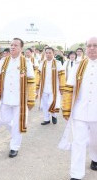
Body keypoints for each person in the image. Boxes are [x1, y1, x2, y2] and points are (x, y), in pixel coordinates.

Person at [0, 38, 36, 158]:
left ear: (21, 48)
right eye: (11, 45)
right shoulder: (3, 61)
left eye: (15, 45)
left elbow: (31, 82)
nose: (12, 47)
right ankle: (17, 134)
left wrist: (31, 100)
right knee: (4, 120)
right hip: (6, 97)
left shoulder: (26, 62)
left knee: (17, 124)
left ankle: (14, 147)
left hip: (20, 99)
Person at [62, 37, 97, 180]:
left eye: (95, 45)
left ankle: (95, 158)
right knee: (78, 142)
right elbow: (69, 87)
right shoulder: (78, 65)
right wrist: (66, 108)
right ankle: (76, 174)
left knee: (95, 140)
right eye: (89, 45)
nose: (92, 48)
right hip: (80, 111)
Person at [37, 47, 65, 125]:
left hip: (54, 88)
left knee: (51, 103)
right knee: (45, 104)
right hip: (44, 87)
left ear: (53, 53)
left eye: (50, 53)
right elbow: (38, 75)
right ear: (45, 53)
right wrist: (37, 86)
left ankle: (54, 115)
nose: (48, 54)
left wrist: (62, 87)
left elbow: (62, 75)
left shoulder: (58, 63)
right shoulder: (42, 63)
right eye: (47, 53)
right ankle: (46, 119)